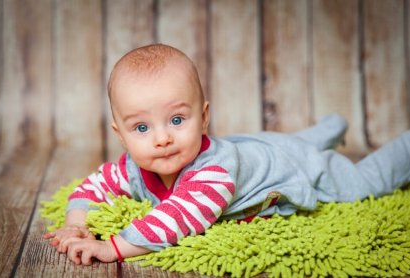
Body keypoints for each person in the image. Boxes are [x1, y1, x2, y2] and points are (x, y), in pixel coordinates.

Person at [44, 44, 410, 266]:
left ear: (203, 118)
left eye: (176, 119)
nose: (162, 139)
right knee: (276, 143)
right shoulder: (132, 168)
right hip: (257, 146)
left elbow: (179, 217)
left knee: (362, 183)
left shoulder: (214, 174)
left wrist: (114, 247)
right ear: (121, 136)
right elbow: (89, 188)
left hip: (293, 167)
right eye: (141, 128)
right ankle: (330, 128)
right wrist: (76, 223)